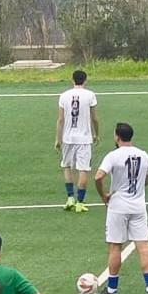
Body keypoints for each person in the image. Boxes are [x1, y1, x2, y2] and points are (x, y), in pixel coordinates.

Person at [94, 123, 148, 294]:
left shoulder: (113, 156)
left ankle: (112, 289)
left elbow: (98, 176)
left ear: (117, 136)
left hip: (118, 207)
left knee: (115, 246)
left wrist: (103, 195)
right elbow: (147, 180)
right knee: (143, 247)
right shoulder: (144, 155)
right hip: (138, 206)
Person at [55, 70, 99, 213]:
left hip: (68, 138)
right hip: (84, 139)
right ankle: (80, 202)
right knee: (83, 169)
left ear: (72, 80)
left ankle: (70, 198)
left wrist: (58, 139)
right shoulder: (90, 95)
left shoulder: (64, 95)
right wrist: (96, 134)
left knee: (66, 166)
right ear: (85, 80)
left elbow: (60, 120)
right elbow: (94, 118)